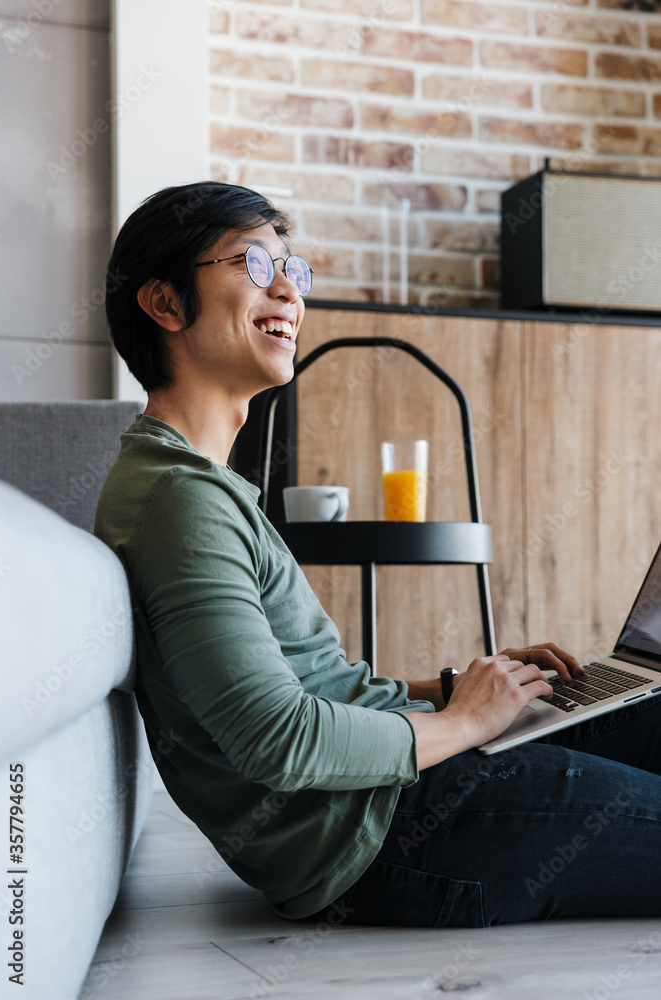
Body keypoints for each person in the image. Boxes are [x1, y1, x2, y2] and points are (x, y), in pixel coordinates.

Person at [95, 181, 661, 928]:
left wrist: (459, 690)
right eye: (254, 264)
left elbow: (312, 687)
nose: (288, 293)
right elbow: (279, 739)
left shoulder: (194, 486)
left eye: (292, 272)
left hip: (395, 789)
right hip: (383, 833)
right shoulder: (179, 501)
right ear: (165, 304)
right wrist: (465, 723)